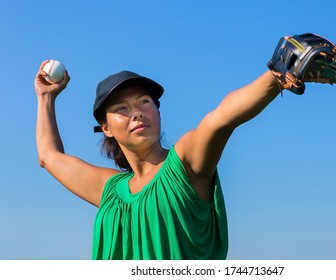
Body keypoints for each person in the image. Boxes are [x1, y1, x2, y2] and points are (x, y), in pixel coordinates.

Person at [34, 59, 285, 260]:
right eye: (121, 108)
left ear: (157, 112)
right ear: (106, 127)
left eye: (144, 102)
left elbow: (221, 119)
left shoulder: (184, 163)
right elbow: (48, 157)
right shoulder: (109, 190)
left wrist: (278, 75)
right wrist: (46, 97)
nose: (137, 113)